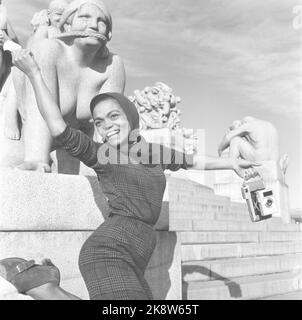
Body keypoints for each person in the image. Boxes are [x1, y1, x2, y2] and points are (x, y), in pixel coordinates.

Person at [0, 50, 258, 300]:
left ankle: (43, 285)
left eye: (114, 116)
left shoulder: (153, 152)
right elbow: (57, 125)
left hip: (139, 247)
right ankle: (42, 284)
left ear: (132, 118)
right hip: (110, 248)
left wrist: (232, 163)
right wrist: (34, 74)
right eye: (99, 122)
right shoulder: (101, 154)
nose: (106, 125)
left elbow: (193, 161)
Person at [7, 0, 125, 172]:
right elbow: (38, 109)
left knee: (71, 178)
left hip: (77, 144)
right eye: (84, 17)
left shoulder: (113, 64)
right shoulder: (49, 50)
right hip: (37, 133)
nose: (93, 25)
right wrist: (37, 159)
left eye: (102, 21)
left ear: (109, 32)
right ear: (68, 25)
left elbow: (113, 123)